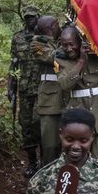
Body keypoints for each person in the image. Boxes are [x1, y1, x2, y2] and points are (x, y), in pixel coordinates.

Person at [55, 27, 98, 165]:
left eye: (72, 44)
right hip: (78, 115)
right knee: (75, 163)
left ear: (80, 42)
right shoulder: (60, 59)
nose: (68, 48)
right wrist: (81, 61)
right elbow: (64, 84)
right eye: (64, 45)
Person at [8, 6, 42, 177]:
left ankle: (45, 161)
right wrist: (10, 87)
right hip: (24, 89)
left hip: (41, 88)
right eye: (27, 17)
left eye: (33, 17)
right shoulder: (18, 38)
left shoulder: (45, 36)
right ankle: (32, 163)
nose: (30, 20)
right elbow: (13, 64)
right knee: (26, 126)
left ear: (38, 18)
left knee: (39, 124)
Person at [31, 16, 65, 165]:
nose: (60, 26)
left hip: (68, 98)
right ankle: (48, 176)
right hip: (49, 100)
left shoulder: (64, 37)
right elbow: (53, 57)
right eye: (57, 24)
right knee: (50, 144)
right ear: (51, 27)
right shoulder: (37, 43)